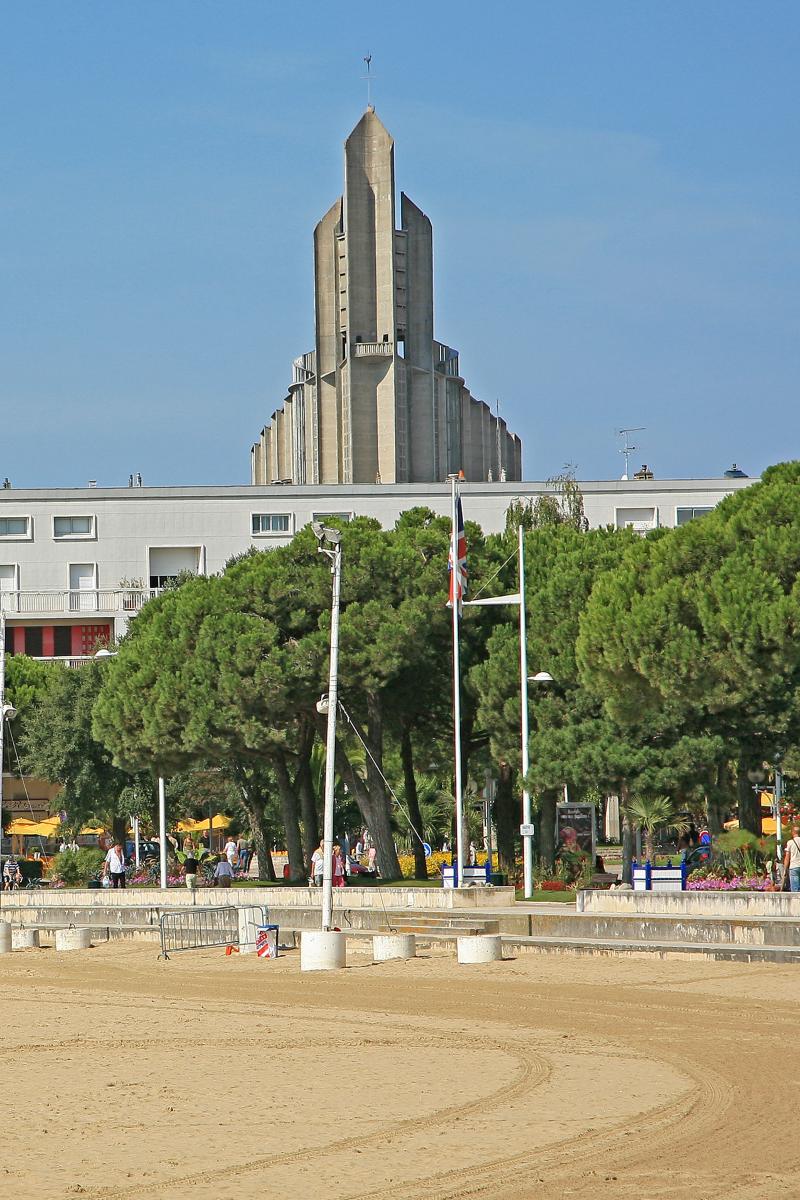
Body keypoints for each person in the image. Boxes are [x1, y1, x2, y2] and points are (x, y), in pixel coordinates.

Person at [783, 825, 800, 892]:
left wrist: (785, 869)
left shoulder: (790, 842)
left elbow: (787, 857)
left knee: (795, 889)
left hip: (794, 866)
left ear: (793, 832)